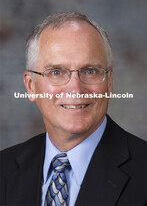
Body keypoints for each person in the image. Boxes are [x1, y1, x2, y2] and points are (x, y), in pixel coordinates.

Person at [0, 12, 146, 206]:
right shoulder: (4, 168)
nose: (75, 89)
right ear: (31, 86)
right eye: (57, 72)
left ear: (109, 82)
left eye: (90, 71)